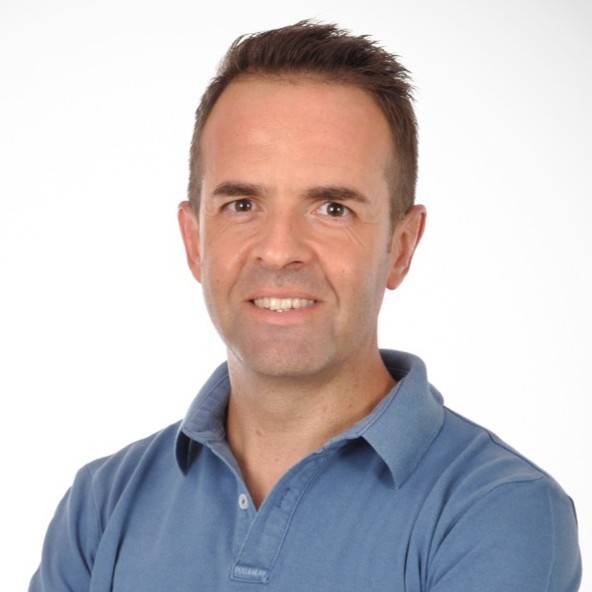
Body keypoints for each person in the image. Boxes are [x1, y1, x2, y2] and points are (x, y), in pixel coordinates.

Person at [30, 20, 581, 591]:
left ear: (401, 247)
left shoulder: (499, 514)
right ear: (194, 241)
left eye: (332, 209)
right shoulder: (100, 509)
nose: (279, 250)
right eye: (243, 204)